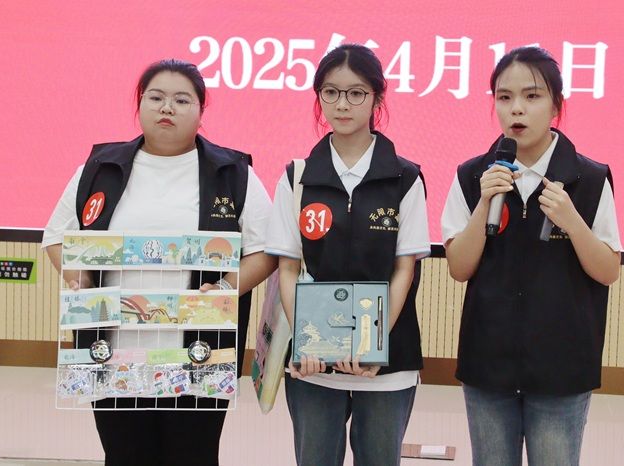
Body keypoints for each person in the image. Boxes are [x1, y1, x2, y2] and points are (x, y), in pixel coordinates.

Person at [43, 58, 276, 466]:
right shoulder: (99, 168)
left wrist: (225, 288)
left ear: (201, 110)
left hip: (201, 352)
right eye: (156, 97)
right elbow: (56, 237)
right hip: (114, 353)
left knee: (194, 456)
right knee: (124, 454)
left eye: (182, 100)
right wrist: (81, 278)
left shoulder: (232, 172)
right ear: (139, 104)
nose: (167, 107)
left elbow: (267, 249)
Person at [441, 46, 621, 465]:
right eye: (504, 97)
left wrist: (572, 221)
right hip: (488, 364)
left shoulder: (590, 178)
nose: (516, 109)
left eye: (532, 96)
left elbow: (608, 270)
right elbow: (459, 268)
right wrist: (484, 204)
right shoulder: (472, 175)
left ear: (557, 105)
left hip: (562, 367)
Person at [265, 44, 430, 466]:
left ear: (377, 98)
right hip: (313, 362)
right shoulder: (297, 177)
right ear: (319, 96)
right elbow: (287, 268)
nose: (342, 104)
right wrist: (306, 340)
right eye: (331, 92)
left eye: (356, 93)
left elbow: (404, 270)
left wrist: (370, 345)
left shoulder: (405, 178)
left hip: (387, 361)